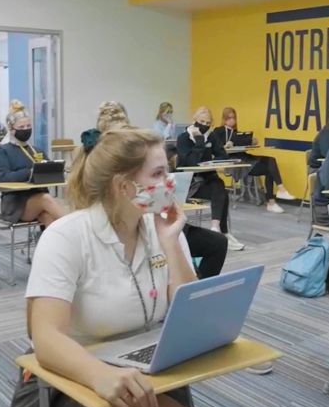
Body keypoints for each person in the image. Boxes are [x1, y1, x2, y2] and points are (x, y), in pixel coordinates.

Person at [11, 127, 233, 407]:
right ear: (123, 186)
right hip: (69, 381)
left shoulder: (162, 227)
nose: (170, 183)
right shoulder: (66, 236)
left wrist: (170, 243)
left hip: (144, 371)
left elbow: (192, 320)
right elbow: (45, 338)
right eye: (159, 173)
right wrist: (101, 375)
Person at [82, 103, 230, 281]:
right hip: (143, 223)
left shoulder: (161, 223)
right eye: (158, 173)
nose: (168, 181)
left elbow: (186, 295)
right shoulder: (83, 235)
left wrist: (170, 239)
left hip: (157, 221)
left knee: (213, 243)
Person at [176, 107, 244, 251]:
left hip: (207, 179)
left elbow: (223, 155)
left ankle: (216, 228)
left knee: (219, 186)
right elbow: (191, 162)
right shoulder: (184, 138)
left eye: (208, 122)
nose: (204, 125)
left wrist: (213, 160)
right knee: (221, 191)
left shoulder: (211, 136)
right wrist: (200, 143)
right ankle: (223, 232)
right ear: (194, 120)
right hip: (190, 183)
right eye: (201, 121)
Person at [0, 106, 69, 228]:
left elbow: (48, 171)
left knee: (49, 219)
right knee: (46, 199)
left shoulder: (37, 150)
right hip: (16, 204)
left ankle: (54, 246)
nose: (26, 130)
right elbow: (3, 176)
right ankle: (75, 228)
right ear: (11, 129)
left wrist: (58, 171)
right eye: (21, 127)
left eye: (28, 126)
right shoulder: (1, 151)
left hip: (37, 200)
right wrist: (30, 172)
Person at [210, 107, 295, 213]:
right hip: (236, 161)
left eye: (234, 118)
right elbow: (217, 148)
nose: (232, 120)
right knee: (269, 169)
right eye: (229, 118)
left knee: (271, 161)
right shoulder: (219, 131)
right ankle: (272, 201)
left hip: (245, 157)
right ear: (224, 119)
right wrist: (225, 146)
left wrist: (252, 141)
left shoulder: (236, 133)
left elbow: (242, 141)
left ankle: (279, 191)